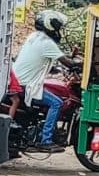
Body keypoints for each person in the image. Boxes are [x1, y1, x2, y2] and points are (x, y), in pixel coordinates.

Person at [14, 9, 69, 148]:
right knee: (57, 103)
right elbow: (68, 62)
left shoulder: (34, 36)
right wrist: (84, 64)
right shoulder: (47, 43)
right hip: (26, 85)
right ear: (51, 27)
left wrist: (55, 69)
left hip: (17, 82)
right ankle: (46, 140)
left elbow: (37, 61)